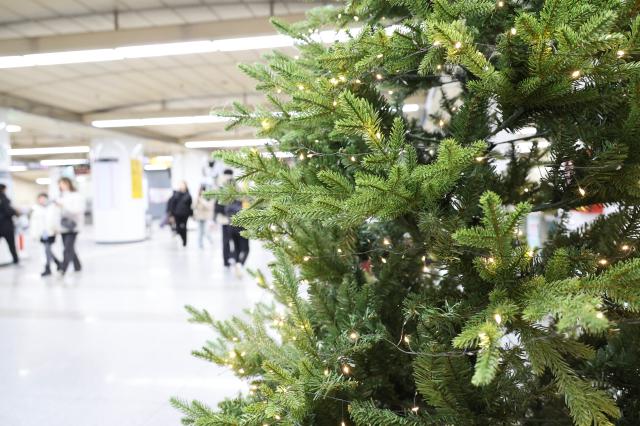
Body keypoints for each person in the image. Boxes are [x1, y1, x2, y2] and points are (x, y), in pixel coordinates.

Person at [217, 170, 249, 271]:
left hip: (229, 223)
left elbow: (219, 207)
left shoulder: (225, 194)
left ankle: (233, 262)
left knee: (232, 244)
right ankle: (237, 263)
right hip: (236, 223)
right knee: (242, 247)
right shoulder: (240, 195)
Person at [56, 177, 85, 275]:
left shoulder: (76, 196)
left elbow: (77, 210)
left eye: (63, 183)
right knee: (69, 247)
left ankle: (63, 269)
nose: (61, 186)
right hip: (63, 226)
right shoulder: (60, 196)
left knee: (67, 248)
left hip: (73, 226)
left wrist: (63, 206)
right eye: (60, 184)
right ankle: (77, 265)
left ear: (69, 184)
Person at [30, 193, 61, 276]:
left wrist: (57, 229)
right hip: (42, 233)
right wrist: (33, 234)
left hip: (51, 232)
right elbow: (33, 223)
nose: (42, 200)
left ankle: (48, 268)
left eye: (43, 198)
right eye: (40, 199)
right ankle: (58, 263)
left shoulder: (52, 208)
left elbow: (56, 219)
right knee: (47, 250)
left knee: (47, 249)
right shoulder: (35, 209)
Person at [168, 181, 192, 247]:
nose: (182, 186)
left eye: (183, 185)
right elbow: (172, 205)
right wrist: (171, 214)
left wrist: (191, 214)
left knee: (184, 227)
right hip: (177, 214)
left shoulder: (188, 195)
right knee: (178, 228)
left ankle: (185, 240)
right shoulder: (176, 194)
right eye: (181, 185)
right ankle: (182, 238)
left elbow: (190, 205)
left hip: (185, 214)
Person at [0, 183, 18, 264]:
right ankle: (15, 259)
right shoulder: (4, 198)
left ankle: (15, 259)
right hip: (6, 226)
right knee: (11, 245)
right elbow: (9, 211)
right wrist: (15, 212)